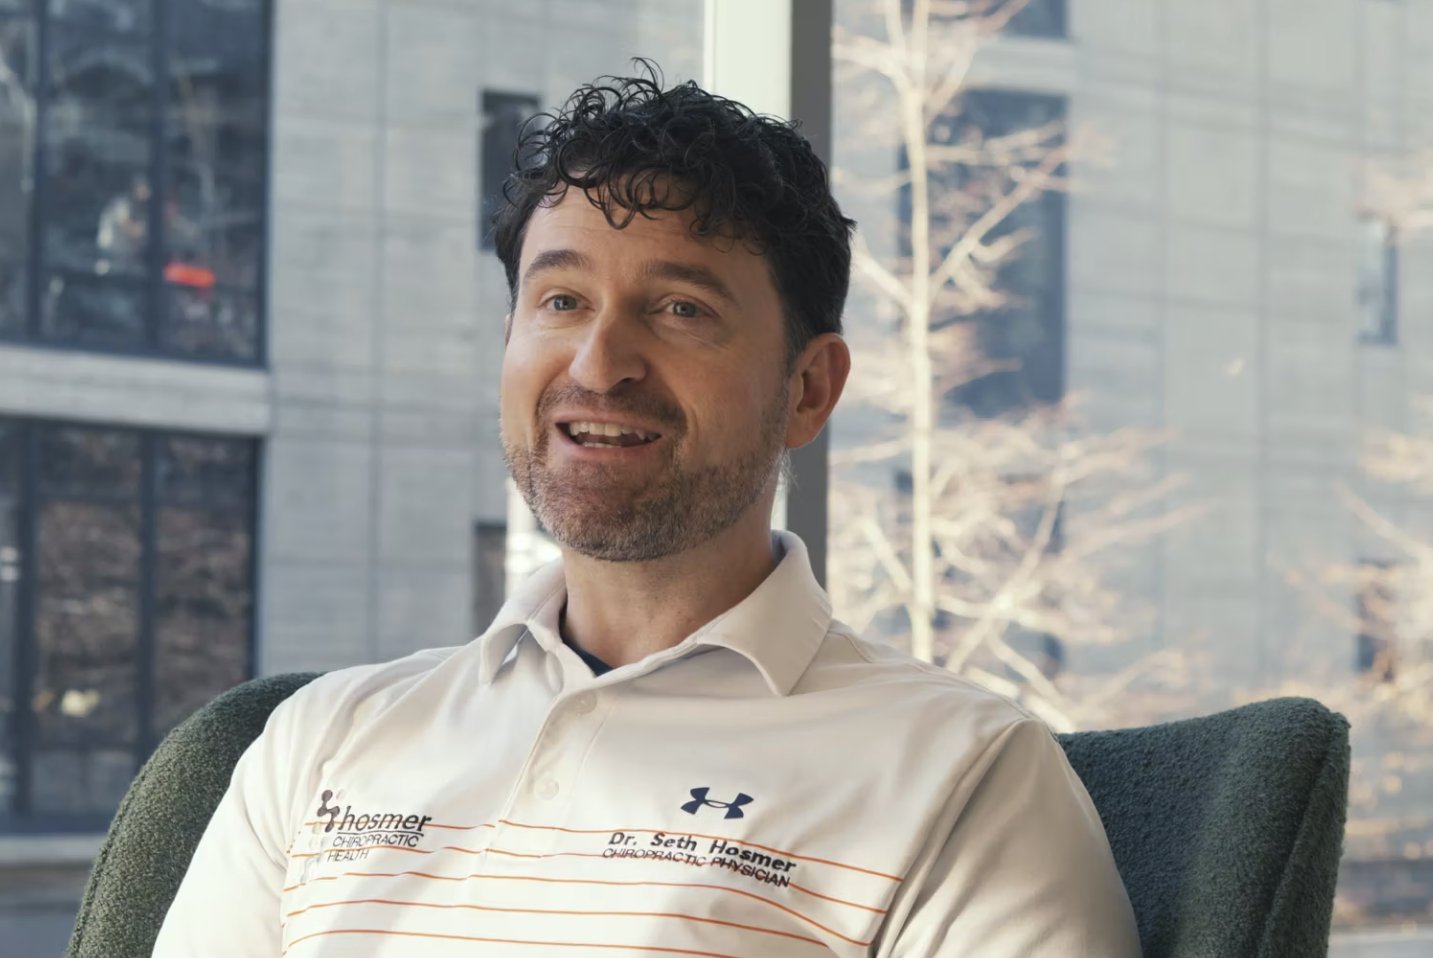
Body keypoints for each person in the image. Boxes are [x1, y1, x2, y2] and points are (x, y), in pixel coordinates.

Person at [154, 71, 1140, 958]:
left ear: (807, 388)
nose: (597, 365)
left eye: (679, 310)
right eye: (560, 301)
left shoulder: (963, 778)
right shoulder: (319, 743)